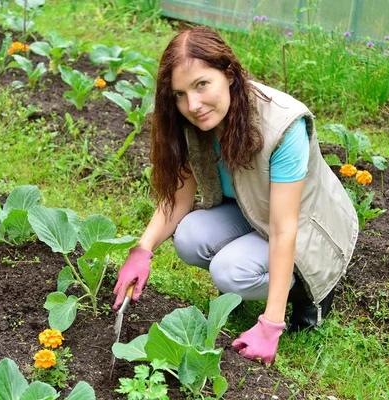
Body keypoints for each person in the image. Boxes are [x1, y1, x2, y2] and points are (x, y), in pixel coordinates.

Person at [112, 26, 358, 364]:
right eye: (180, 94)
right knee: (188, 236)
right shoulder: (193, 123)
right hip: (250, 210)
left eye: (201, 84)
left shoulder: (284, 126)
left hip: (309, 227)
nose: (193, 105)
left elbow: (285, 229)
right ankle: (253, 277)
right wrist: (142, 250)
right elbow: (181, 200)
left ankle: (306, 289)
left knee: (230, 271)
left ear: (228, 73)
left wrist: (271, 323)